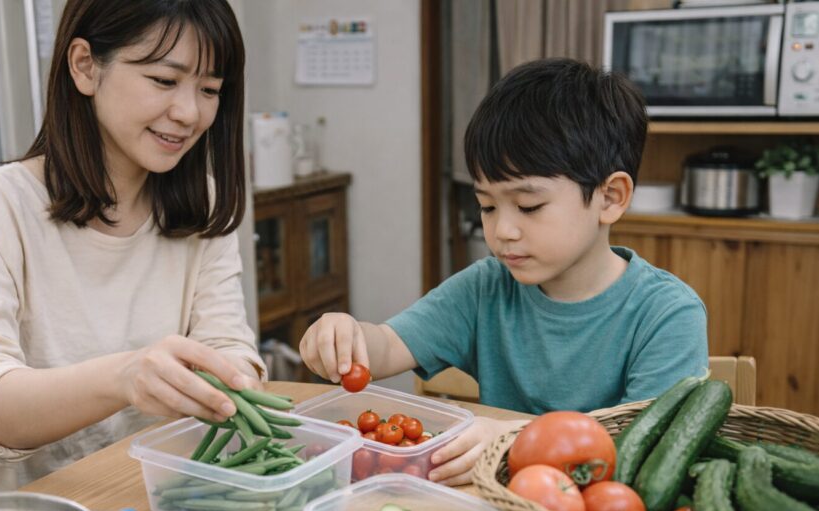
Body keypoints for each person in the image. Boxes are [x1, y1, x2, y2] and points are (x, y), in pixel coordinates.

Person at [0, 0, 264, 502]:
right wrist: (124, 378)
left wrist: (236, 376)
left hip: (143, 505)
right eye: (164, 80)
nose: (189, 113)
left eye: (209, 90)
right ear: (84, 66)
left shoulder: (199, 207)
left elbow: (227, 345)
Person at [299, 58, 708, 486]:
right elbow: (388, 346)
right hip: (495, 504)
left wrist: (519, 437)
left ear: (610, 197)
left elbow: (649, 451)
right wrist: (346, 338)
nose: (501, 231)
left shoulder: (667, 314)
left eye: (528, 206)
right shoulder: (486, 288)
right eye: (488, 206)